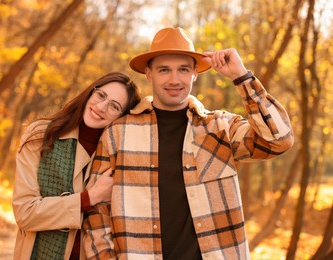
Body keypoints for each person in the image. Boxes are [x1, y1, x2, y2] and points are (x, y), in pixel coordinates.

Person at [82, 27, 294, 259]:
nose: (174, 80)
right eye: (164, 70)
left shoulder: (220, 127)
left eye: (183, 69)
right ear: (149, 73)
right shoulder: (118, 133)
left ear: (195, 73)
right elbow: (97, 212)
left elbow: (278, 140)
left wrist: (241, 77)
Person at [12, 72, 141, 260]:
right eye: (101, 95)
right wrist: (89, 198)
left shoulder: (120, 155)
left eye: (114, 106)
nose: (101, 107)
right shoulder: (41, 135)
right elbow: (25, 212)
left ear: (122, 117)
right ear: (90, 92)